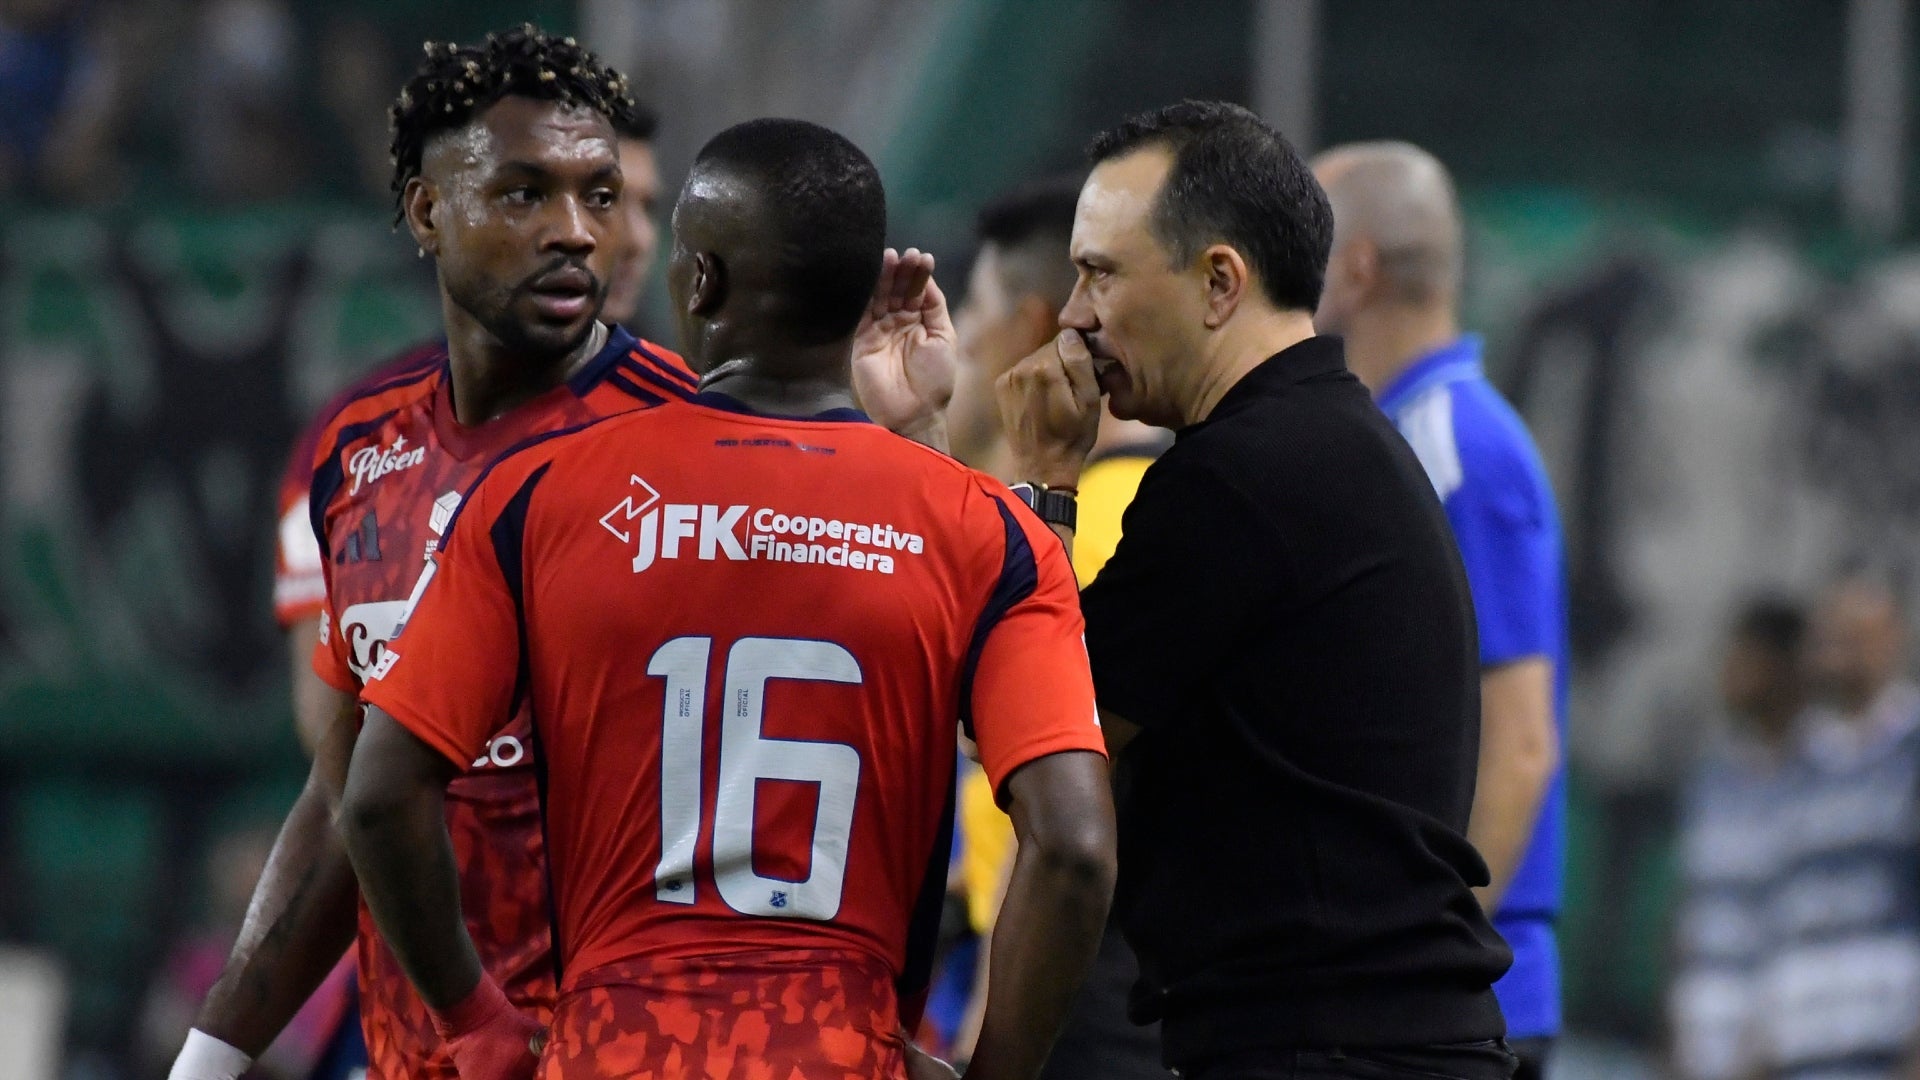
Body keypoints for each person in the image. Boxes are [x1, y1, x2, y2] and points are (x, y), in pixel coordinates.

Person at [340, 117, 1117, 1080]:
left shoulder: (538, 499)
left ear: (701, 281)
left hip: (615, 1053)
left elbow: (377, 798)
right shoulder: (985, 530)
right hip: (841, 1053)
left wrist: (476, 1022)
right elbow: (1075, 848)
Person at [167, 28, 701, 1080]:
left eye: (600, 196)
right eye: (522, 194)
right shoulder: (360, 459)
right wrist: (208, 1061)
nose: (579, 234)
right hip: (422, 1057)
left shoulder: (693, 447)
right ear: (425, 212)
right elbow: (346, 798)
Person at [997, 100, 1513, 1080]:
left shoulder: (1239, 479)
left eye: (1099, 273)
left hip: (1327, 1052)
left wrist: (1046, 486)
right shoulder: (1323, 442)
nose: (1071, 315)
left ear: (1219, 282)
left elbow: (1044, 738)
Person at [1312, 141, 1567, 1080]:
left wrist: (1432, 947)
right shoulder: (1404, 434)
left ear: (1360, 268)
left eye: (1308, 241)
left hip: (1457, 1002)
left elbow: (1522, 738)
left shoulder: (1458, 443)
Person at [946, 177, 1168, 1080]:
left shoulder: (1110, 520)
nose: (960, 335)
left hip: (1068, 994)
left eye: (976, 308)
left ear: (1029, 330)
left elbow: (1068, 800)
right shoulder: (1040, 512)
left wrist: (992, 1018)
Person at [1754, 574, 1920, 1080]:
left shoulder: (1912, 751)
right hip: (1799, 1048)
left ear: (1893, 638)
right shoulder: (1798, 759)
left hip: (1883, 1045)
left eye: (1856, 634)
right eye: (1829, 634)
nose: (1837, 649)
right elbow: (1778, 908)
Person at [1668, 597, 1807, 1080]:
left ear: (1782, 667)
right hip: (1698, 1040)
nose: (1726, 668)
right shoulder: (1712, 778)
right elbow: (1690, 914)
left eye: (1742, 654)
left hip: (1780, 1052)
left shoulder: (1819, 777)